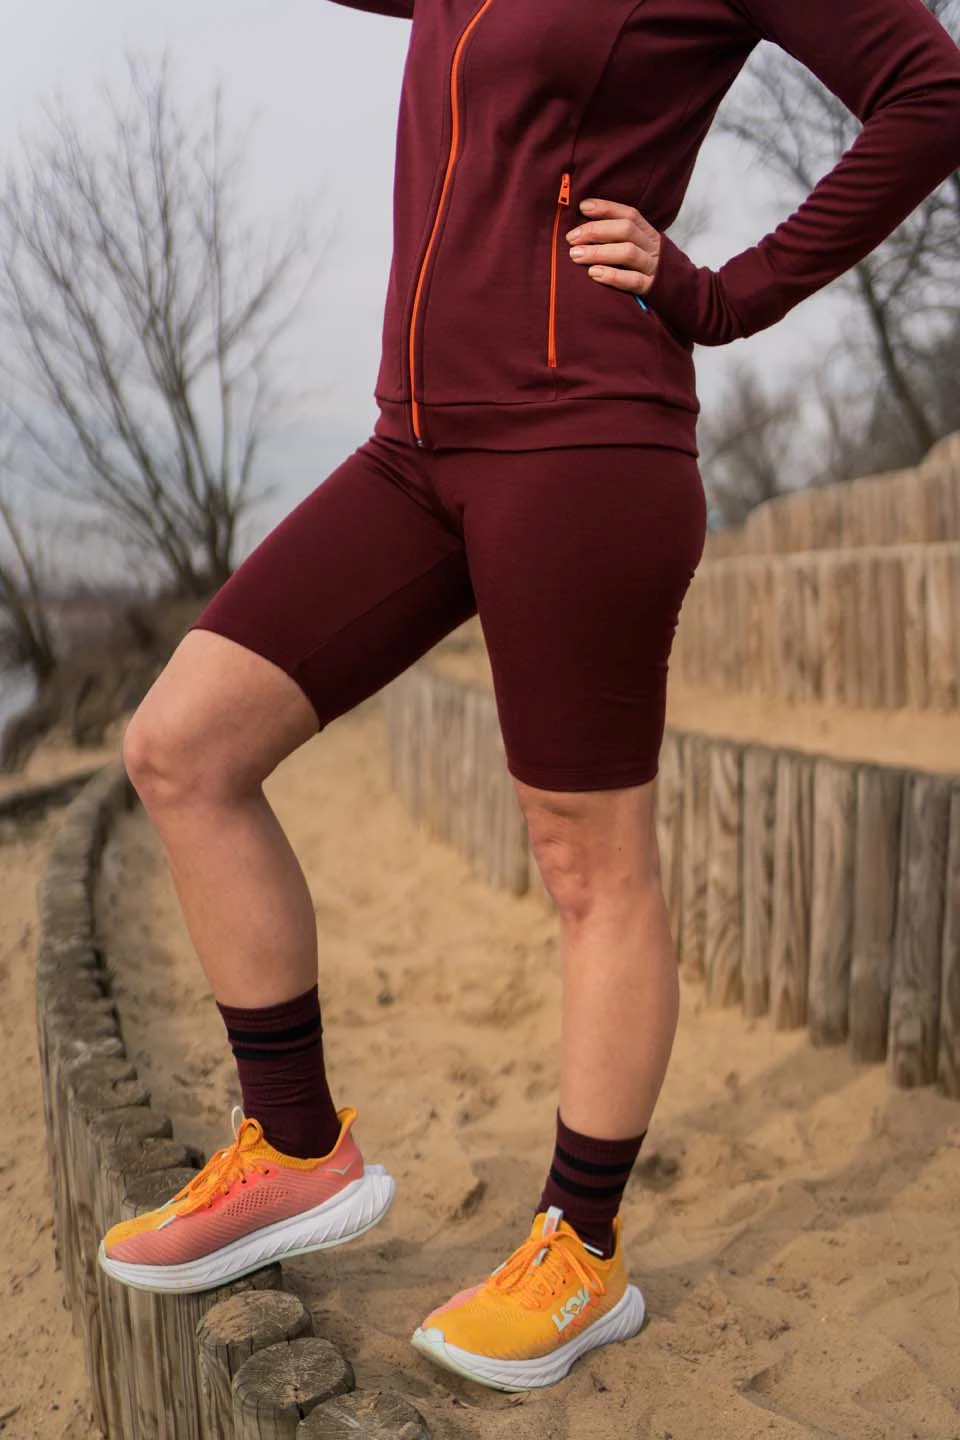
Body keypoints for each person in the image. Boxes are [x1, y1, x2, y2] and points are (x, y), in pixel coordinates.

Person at [98, 0, 960, 1394]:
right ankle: (297, 1147)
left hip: (584, 439)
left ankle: (582, 1245)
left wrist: (724, 293)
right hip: (412, 450)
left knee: (586, 858)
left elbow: (931, 91)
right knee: (180, 748)